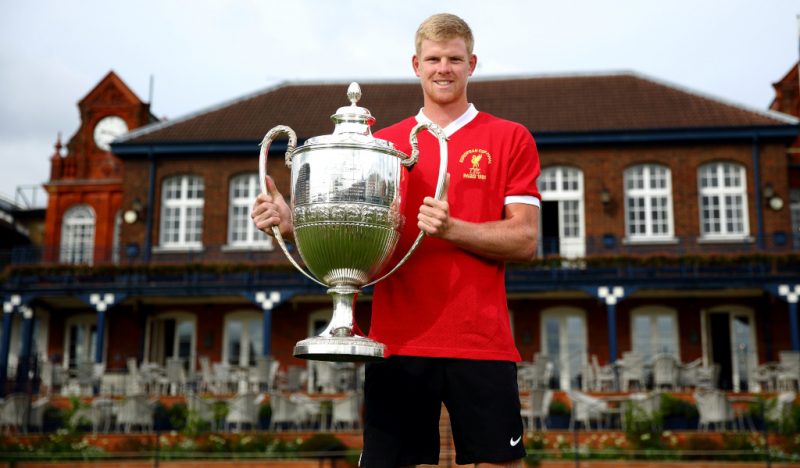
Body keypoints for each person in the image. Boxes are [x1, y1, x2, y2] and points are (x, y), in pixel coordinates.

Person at [252, 13, 541, 468]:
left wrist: (453, 228)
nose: (443, 68)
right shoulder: (382, 145)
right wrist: (293, 225)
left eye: (454, 59)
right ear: (416, 64)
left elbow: (525, 239)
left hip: (481, 341)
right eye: (433, 59)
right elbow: (349, 233)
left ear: (472, 64)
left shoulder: (510, 137)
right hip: (398, 343)